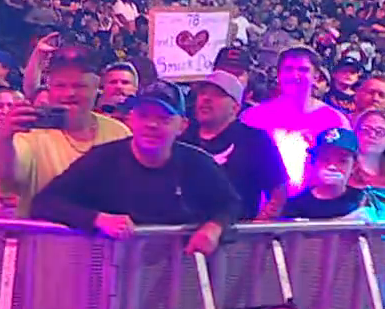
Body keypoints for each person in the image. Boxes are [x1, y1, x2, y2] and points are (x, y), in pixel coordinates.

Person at [31, 80, 239, 254]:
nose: (151, 125)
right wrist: (97, 219)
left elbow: (231, 204)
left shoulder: (197, 163)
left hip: (178, 274)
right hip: (110, 271)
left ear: (182, 126)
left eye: (163, 118)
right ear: (131, 119)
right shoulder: (102, 159)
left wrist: (215, 227)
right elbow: (44, 203)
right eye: (144, 115)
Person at [0, 45, 129, 217]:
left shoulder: (118, 133)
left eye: (79, 85)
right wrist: (4, 138)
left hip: (103, 234)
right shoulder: (31, 133)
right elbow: (8, 173)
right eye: (60, 85)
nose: (69, 93)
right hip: (43, 233)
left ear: (96, 87)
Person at [181, 69, 288, 220]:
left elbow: (279, 190)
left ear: (235, 107)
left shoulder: (255, 140)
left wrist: (260, 223)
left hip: (238, 230)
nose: (206, 99)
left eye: (217, 95)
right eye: (202, 93)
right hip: (187, 230)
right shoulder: (184, 139)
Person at [241, 46, 350, 190]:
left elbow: (344, 167)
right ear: (279, 74)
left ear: (316, 76)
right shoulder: (253, 117)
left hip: (313, 199)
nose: (295, 75)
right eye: (288, 69)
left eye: (303, 70)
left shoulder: (335, 121)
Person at [283, 127, 385, 220]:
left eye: (342, 161)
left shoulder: (363, 200)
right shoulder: (296, 205)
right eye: (325, 159)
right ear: (314, 162)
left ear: (354, 166)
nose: (332, 166)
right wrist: (346, 221)